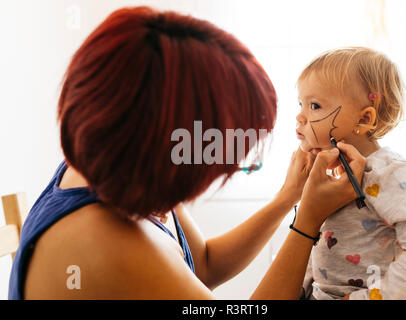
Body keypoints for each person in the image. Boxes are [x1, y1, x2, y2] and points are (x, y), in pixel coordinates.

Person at [8, 7, 365, 300]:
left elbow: (202, 264)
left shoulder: (123, 169)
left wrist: (288, 198)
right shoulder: (109, 244)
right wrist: (307, 222)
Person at [296, 47, 406, 300]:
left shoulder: (390, 173)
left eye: (314, 105)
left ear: (364, 119)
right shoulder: (331, 176)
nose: (300, 116)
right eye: (300, 104)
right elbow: (321, 249)